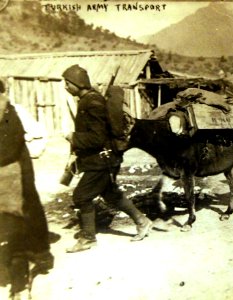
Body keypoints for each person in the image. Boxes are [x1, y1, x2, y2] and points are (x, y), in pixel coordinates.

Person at [62, 65, 153, 253]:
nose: (65, 87)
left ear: (78, 83)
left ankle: (88, 238)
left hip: (102, 160)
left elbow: (97, 138)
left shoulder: (92, 103)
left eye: (68, 83)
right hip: (105, 159)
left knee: (81, 196)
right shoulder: (87, 100)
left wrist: (73, 137)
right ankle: (142, 221)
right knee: (111, 194)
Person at [0, 79, 54, 299]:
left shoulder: (14, 112)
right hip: (7, 177)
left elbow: (12, 147)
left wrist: (32, 151)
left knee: (21, 220)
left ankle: (23, 280)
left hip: (17, 176)